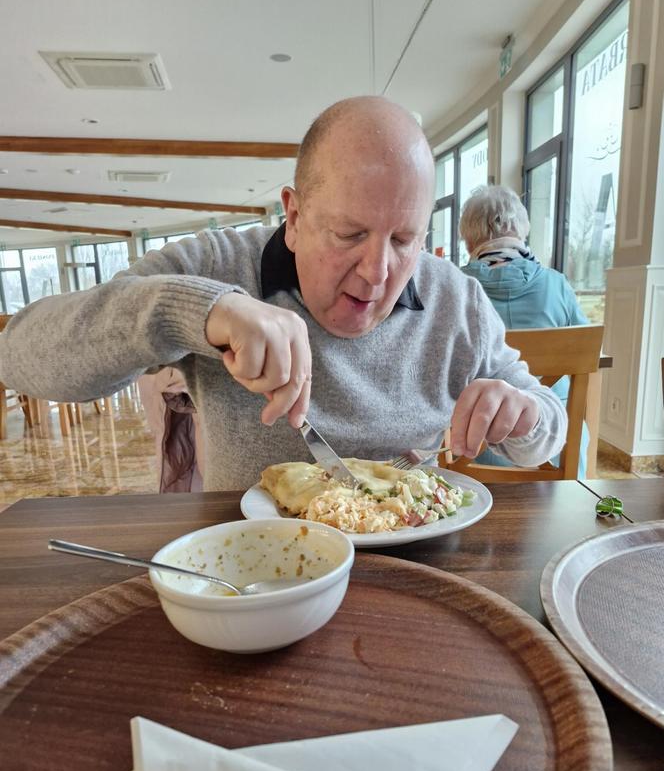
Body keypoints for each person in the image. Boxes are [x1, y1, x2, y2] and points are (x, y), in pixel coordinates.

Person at [0, 97, 566, 491]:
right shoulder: (219, 264)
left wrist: (524, 417)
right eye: (349, 234)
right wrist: (200, 311)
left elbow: (545, 426)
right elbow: (21, 354)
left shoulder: (457, 302)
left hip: (415, 567)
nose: (377, 273)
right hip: (256, 573)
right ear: (293, 217)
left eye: (403, 239)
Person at [459, 184, 589, 475]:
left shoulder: (455, 289)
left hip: (474, 455)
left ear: (469, 240)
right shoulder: (557, 285)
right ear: (520, 229)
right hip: (560, 451)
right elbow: (588, 353)